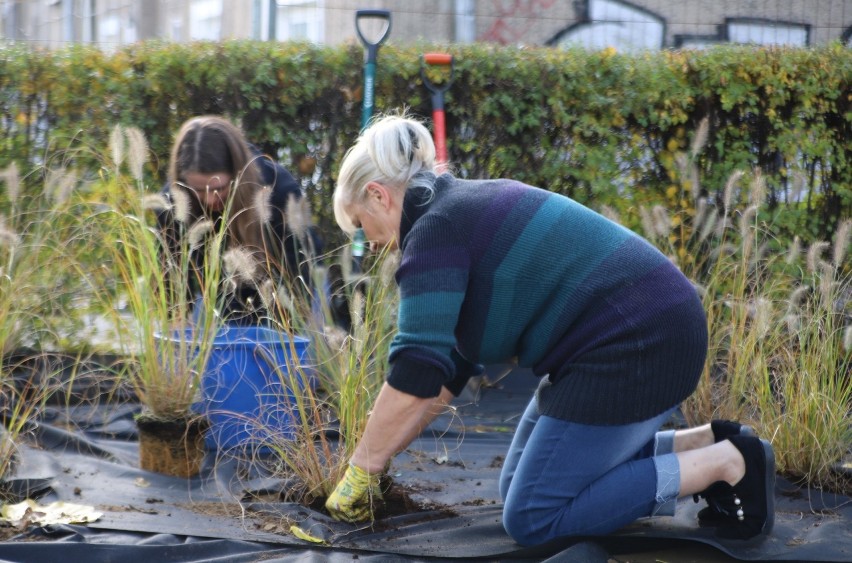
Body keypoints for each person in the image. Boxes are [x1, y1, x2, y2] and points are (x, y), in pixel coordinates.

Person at [323, 114, 776, 545]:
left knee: (535, 515)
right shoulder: (450, 209)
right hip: (634, 333)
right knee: (520, 478)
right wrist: (376, 465)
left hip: (640, 342)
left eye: (362, 227)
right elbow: (440, 378)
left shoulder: (435, 229)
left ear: (379, 195)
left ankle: (726, 463)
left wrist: (363, 465)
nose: (374, 244)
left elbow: (416, 367)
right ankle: (711, 440)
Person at [156, 115, 319, 325]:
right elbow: (172, 284)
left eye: (219, 188)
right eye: (198, 190)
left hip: (282, 302)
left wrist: (285, 333)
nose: (210, 199)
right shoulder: (173, 203)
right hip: (216, 307)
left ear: (238, 175)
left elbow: (302, 272)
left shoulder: (279, 192)